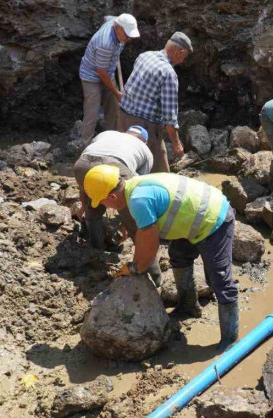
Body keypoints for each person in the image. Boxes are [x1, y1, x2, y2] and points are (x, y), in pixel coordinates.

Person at [83, 165, 239, 351]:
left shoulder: (138, 201)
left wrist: (136, 268)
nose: (104, 206)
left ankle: (230, 338)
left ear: (112, 197)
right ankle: (188, 306)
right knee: (179, 256)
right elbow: (142, 235)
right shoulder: (134, 185)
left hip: (214, 220)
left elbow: (150, 245)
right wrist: (135, 263)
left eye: (102, 202)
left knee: (218, 279)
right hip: (193, 217)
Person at [73, 126, 163, 285]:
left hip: (82, 165)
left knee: (94, 205)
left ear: (126, 133)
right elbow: (138, 192)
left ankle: (96, 250)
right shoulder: (145, 151)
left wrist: (83, 206)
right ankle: (154, 275)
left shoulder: (106, 133)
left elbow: (87, 173)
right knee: (139, 226)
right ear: (144, 141)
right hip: (116, 165)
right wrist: (126, 222)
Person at [118, 32, 193, 173]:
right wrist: (176, 144)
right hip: (145, 127)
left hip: (123, 117)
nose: (182, 61)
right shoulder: (168, 74)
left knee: (126, 161)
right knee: (160, 173)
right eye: (184, 57)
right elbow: (169, 117)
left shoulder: (145, 56)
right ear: (180, 52)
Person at [79, 13, 140, 144]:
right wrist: (117, 92)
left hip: (108, 72)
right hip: (91, 76)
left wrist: (115, 94)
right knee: (92, 112)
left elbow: (107, 17)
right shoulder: (105, 43)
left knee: (114, 108)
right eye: (127, 35)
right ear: (117, 28)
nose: (129, 39)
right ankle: (84, 146)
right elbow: (101, 72)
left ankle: (110, 141)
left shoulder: (115, 22)